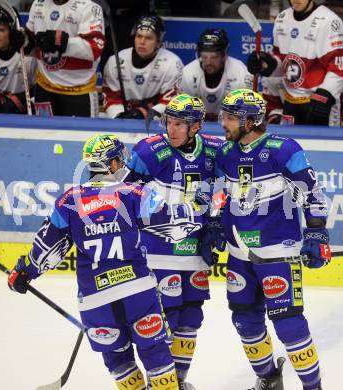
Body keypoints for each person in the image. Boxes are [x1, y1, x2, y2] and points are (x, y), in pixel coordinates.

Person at [7, 133, 213, 390]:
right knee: (156, 354)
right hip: (137, 292)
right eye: (119, 159)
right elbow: (174, 222)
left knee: (118, 361)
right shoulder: (133, 193)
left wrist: (24, 271)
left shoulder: (69, 200)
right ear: (112, 163)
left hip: (95, 299)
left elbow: (46, 250)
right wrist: (207, 213)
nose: (123, 164)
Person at [199, 88, 330, 390]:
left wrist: (316, 231)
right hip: (239, 257)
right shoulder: (224, 153)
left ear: (250, 121)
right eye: (225, 116)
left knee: (289, 325)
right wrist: (215, 225)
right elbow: (219, 193)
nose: (224, 123)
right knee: (245, 321)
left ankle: (314, 387)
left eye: (231, 117)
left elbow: (312, 192)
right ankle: (270, 378)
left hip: (278, 253)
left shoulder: (284, 149)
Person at [123, 93, 225, 389]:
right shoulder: (151, 151)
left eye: (181, 124)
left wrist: (215, 222)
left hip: (195, 251)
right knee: (166, 316)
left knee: (192, 317)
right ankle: (161, 381)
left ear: (196, 127)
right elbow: (126, 195)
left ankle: (176, 381)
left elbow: (224, 188)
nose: (173, 129)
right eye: (170, 122)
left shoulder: (215, 151)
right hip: (158, 251)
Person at [246, 0, 343, 126]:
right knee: (294, 145)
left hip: (321, 102)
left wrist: (324, 97)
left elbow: (338, 69)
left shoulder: (329, 20)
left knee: (327, 144)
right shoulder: (282, 19)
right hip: (291, 101)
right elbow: (284, 63)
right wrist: (267, 64)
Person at [25, 0, 105, 117]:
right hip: (45, 90)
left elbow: (94, 49)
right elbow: (33, 45)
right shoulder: (38, 4)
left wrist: (62, 43)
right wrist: (22, 42)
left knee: (82, 136)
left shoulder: (89, 8)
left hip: (78, 92)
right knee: (43, 134)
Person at [102, 15, 183, 119]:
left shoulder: (172, 64)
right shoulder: (115, 61)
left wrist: (143, 114)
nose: (142, 42)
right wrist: (119, 116)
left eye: (148, 38)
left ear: (158, 42)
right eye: (139, 36)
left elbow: (172, 102)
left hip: (156, 125)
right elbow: (111, 97)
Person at [180, 28, 252, 122]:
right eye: (204, 57)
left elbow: (245, 113)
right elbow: (182, 112)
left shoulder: (240, 73)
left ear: (224, 55)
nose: (208, 62)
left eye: (214, 57)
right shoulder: (188, 73)